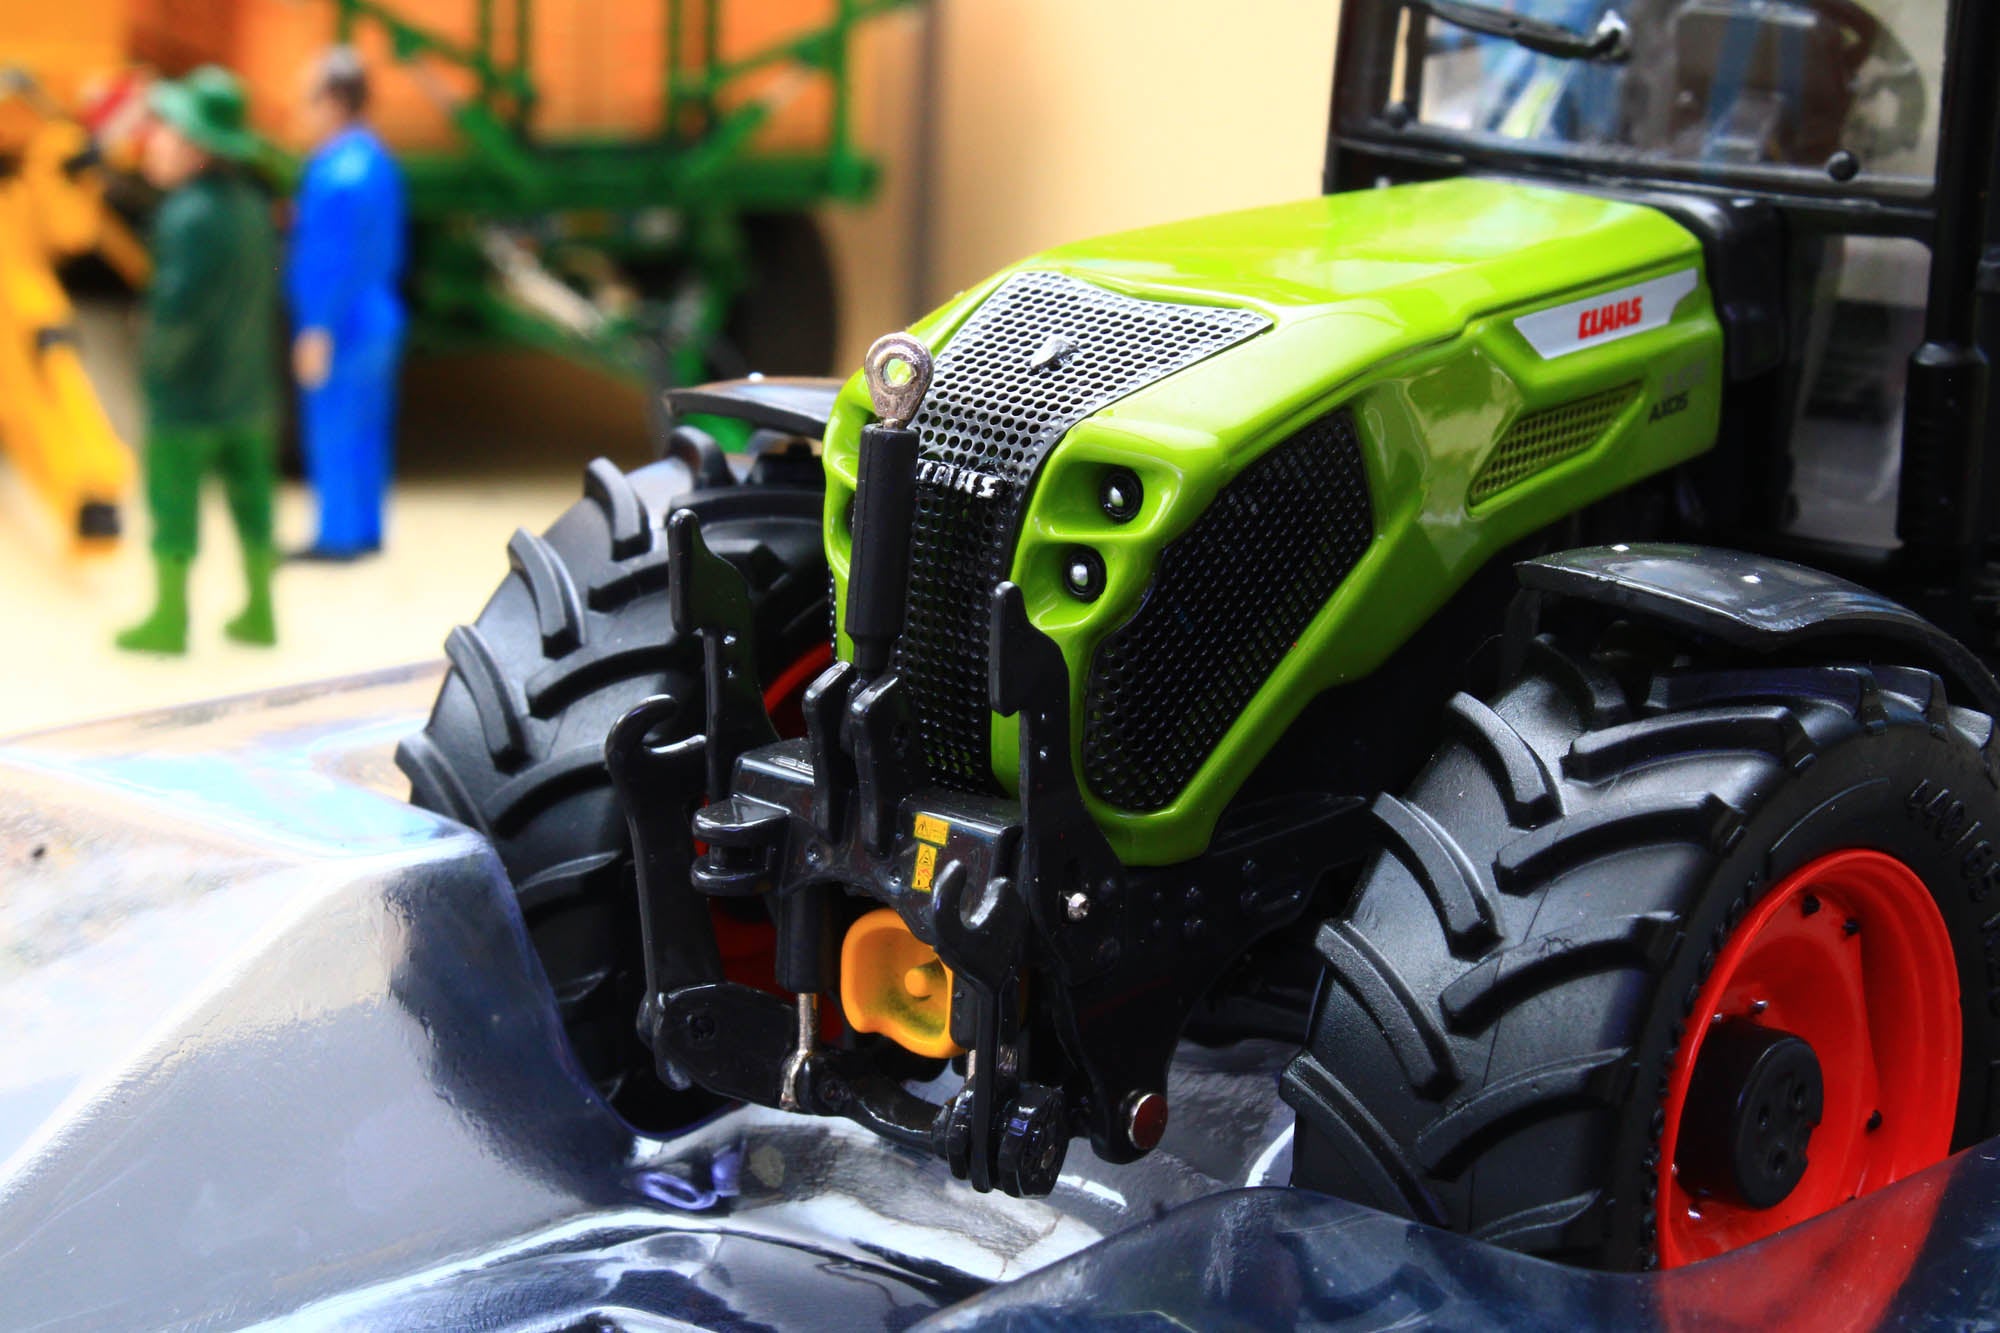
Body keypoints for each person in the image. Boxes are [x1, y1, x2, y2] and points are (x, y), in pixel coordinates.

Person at [116, 66, 279, 654]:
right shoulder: (252, 207)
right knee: (252, 506)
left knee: (173, 506)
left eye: (168, 131)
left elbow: (175, 311)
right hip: (247, 391)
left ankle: (169, 619)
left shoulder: (186, 215)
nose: (156, 141)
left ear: (197, 146)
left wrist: (152, 366)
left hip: (187, 399)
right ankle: (260, 612)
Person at [288, 46, 406, 560]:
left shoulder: (333, 171)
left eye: (308, 99)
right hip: (379, 310)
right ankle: (366, 528)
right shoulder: (376, 160)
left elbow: (328, 260)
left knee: (334, 425)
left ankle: (336, 536)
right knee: (369, 426)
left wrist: (317, 326)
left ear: (333, 101)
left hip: (342, 321)